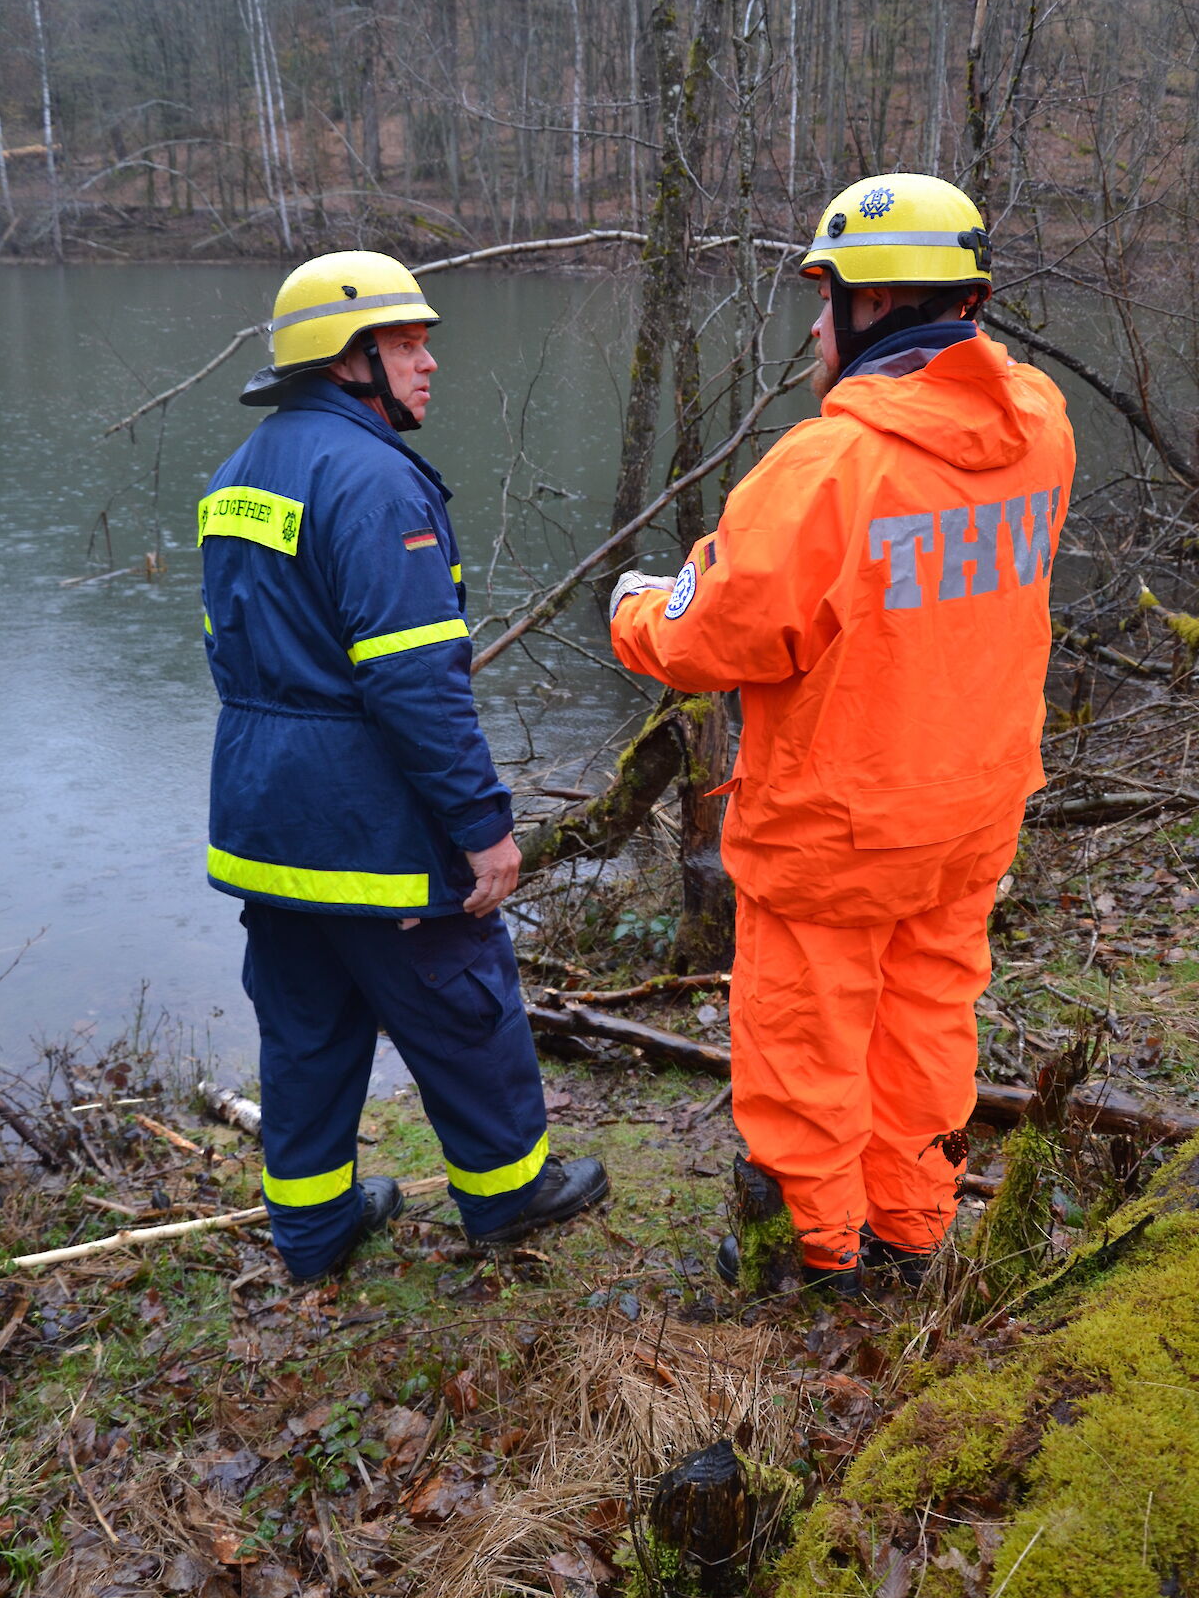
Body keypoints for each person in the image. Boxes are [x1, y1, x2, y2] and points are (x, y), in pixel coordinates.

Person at [609, 174, 1074, 1296]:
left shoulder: (829, 469)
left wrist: (633, 605)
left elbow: (711, 634)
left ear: (876, 306)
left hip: (841, 827)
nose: (815, 327)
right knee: (927, 1023)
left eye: (827, 300)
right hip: (971, 810)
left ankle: (819, 1265)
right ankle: (911, 1234)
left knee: (807, 1048)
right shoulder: (1041, 427)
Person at [199, 251, 607, 1282]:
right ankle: (512, 1196)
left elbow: (228, 652)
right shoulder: (378, 480)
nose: (430, 364)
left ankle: (312, 1229)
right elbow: (416, 684)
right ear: (349, 361)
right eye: (409, 343)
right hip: (367, 823)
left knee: (304, 1027)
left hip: (261, 819)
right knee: (466, 1002)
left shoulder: (237, 474)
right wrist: (483, 828)